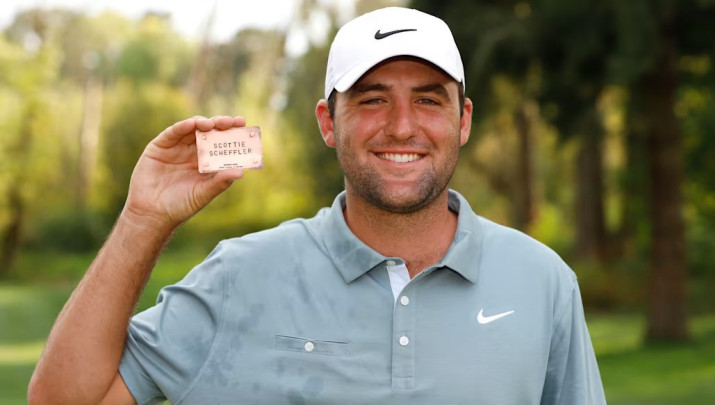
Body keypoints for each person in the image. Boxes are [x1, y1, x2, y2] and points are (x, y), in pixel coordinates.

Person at [28, 7, 606, 405]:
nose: (402, 127)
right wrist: (143, 220)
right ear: (329, 123)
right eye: (372, 99)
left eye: (429, 100)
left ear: (463, 120)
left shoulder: (543, 281)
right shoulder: (239, 276)